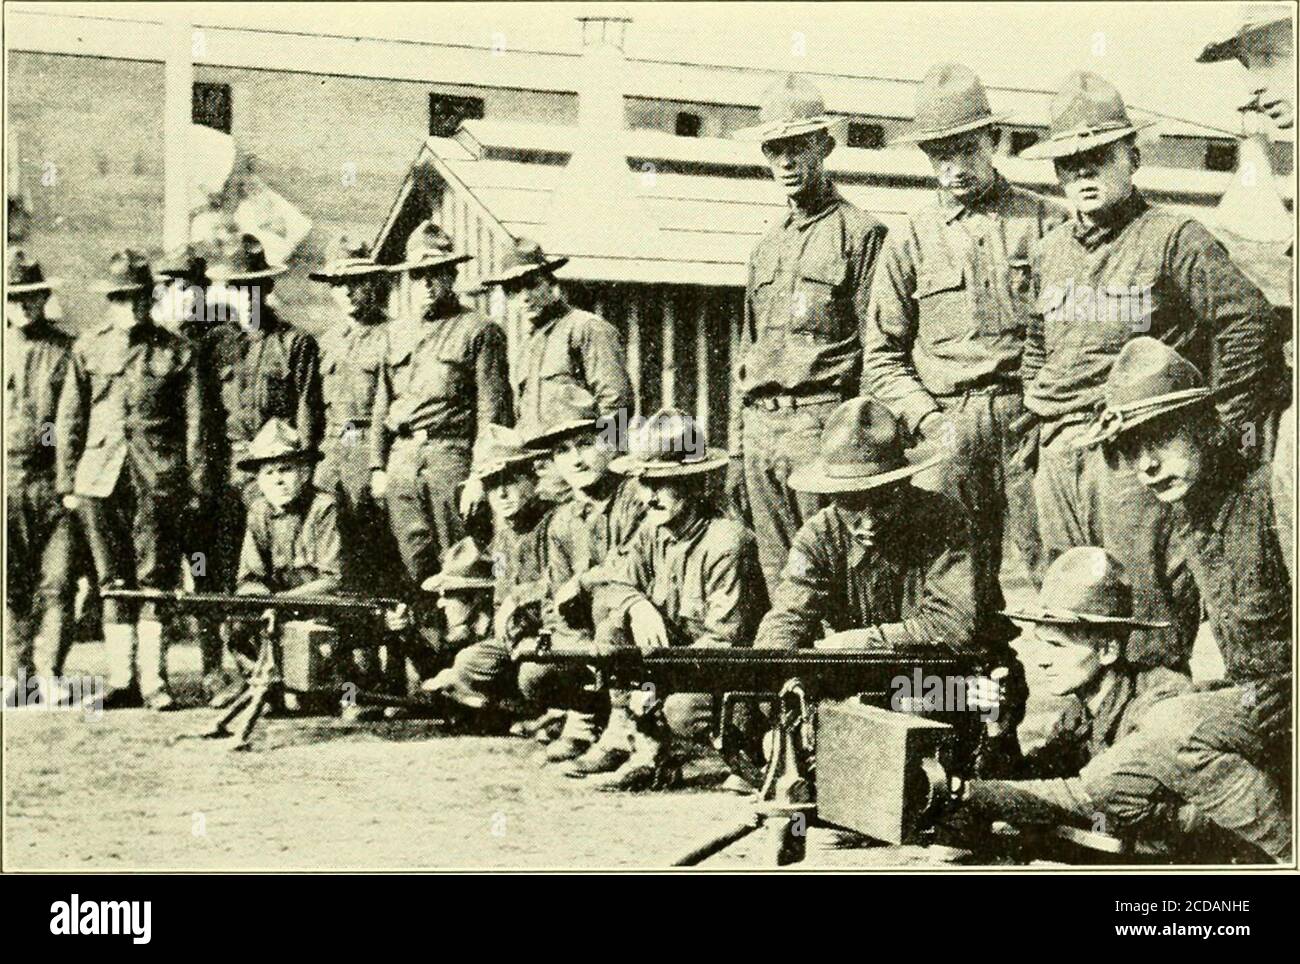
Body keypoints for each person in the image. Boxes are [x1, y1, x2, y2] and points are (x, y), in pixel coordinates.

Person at [1018, 71, 1278, 672]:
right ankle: (1085, 745)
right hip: (1060, 452)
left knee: (1143, 608)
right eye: (1069, 162)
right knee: (1068, 607)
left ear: (1131, 157)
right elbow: (1037, 343)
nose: (1083, 173)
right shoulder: (1050, 248)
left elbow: (1248, 321)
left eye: (1098, 157)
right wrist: (1034, 418)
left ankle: (1145, 733)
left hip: (1133, 451)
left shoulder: (1172, 236)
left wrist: (1223, 422)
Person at [1068, 336, 1292, 860]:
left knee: (1175, 732)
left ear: (1207, 429)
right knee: (1109, 778)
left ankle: (1289, 856)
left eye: (1161, 440)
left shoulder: (1273, 496)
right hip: (1260, 704)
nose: (1145, 465)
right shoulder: (1189, 518)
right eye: (1131, 450)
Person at [864, 63, 1067, 605]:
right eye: (939, 155)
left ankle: (1079, 686)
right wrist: (928, 421)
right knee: (953, 583)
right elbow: (882, 356)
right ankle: (970, 687)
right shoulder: (910, 237)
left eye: (966, 149)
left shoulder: (1047, 223)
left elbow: (1073, 333)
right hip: (947, 427)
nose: (953, 167)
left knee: (1059, 568)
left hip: (1030, 421)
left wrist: (1046, 409)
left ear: (993, 140)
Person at [954, 545, 1289, 860]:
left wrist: (964, 791)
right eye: (1040, 644)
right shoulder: (1079, 714)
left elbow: (1088, 798)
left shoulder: (1160, 700)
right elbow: (1030, 788)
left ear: (1108, 650)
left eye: (1057, 646)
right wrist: (998, 727)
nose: (1041, 660)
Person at [728, 73, 889, 594]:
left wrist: (859, 449)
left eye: (797, 146)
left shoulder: (862, 234)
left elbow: (877, 352)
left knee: (839, 568)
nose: (786, 162)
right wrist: (738, 448)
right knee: (782, 579)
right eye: (774, 150)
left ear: (826, 145)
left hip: (824, 426)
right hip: (761, 435)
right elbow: (748, 352)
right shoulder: (763, 246)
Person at [56, 250, 210, 710]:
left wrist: (195, 486)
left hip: (157, 479)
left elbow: (196, 426)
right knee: (112, 580)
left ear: (152, 297)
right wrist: (67, 483)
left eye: (140, 297)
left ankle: (154, 681)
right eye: (122, 298)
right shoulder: (87, 347)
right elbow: (71, 418)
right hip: (98, 480)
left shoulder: (178, 351)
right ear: (110, 300)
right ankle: (122, 679)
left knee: (155, 578)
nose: (132, 307)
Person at [585, 408, 767, 790]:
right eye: (644, 484)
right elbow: (610, 582)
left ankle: (740, 756)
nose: (649, 497)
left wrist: (658, 684)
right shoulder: (653, 532)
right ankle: (647, 750)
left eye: (662, 484)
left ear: (696, 484)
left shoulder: (727, 542)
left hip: (730, 676)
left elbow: (723, 644)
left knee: (681, 710)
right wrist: (636, 605)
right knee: (612, 625)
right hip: (680, 667)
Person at [754, 397, 1010, 657]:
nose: (868, 521)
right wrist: (781, 673)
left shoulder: (947, 522)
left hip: (953, 671)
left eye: (883, 501)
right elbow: (786, 619)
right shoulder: (818, 536)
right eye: (851, 503)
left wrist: (857, 643)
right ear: (832, 496)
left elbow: (952, 627)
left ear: (906, 485)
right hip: (867, 676)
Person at [370, 220, 512, 677]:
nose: (427, 283)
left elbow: (493, 412)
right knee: (414, 567)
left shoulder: (479, 330)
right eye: (418, 275)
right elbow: (381, 405)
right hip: (403, 462)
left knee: (461, 565)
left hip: (451, 459)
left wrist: (479, 476)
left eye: (437, 273)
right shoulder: (396, 333)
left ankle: (469, 675)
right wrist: (378, 465)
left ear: (452, 275)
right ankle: (431, 673)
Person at [518, 385, 647, 775]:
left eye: (586, 444)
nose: (575, 459)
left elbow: (637, 572)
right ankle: (583, 716)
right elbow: (556, 599)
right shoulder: (561, 521)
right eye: (562, 450)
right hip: (590, 639)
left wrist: (586, 582)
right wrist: (557, 640)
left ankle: (623, 728)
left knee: (613, 625)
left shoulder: (637, 499)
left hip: (634, 628)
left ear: (609, 442)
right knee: (535, 671)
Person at [424, 424, 554, 713]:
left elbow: (557, 585)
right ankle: (502, 707)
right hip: (511, 638)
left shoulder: (553, 522)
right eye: (493, 484)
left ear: (533, 479)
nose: (503, 493)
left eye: (512, 480)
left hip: (551, 634)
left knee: (532, 673)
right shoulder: (504, 534)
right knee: (467, 662)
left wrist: (519, 599)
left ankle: (548, 713)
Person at [309, 235, 404, 594]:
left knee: (378, 551)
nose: (347, 293)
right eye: (338, 285)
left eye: (355, 283)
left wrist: (380, 465)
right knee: (335, 551)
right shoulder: (328, 340)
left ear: (372, 284)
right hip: (332, 452)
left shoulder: (393, 335)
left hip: (372, 450)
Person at [5, 250, 77, 706]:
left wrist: (68, 484)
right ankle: (16, 675)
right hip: (4, 482)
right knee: (10, 584)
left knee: (58, 581)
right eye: (12, 299)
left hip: (53, 484)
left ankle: (50, 672)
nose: (21, 307)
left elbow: (77, 420)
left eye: (30, 297)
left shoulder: (68, 351)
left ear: (44, 298)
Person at [479, 237, 634, 438]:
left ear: (551, 283)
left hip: (579, 459)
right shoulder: (528, 346)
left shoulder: (586, 328)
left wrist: (598, 457)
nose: (525, 297)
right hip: (543, 462)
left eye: (532, 285)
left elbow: (617, 404)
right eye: (514, 290)